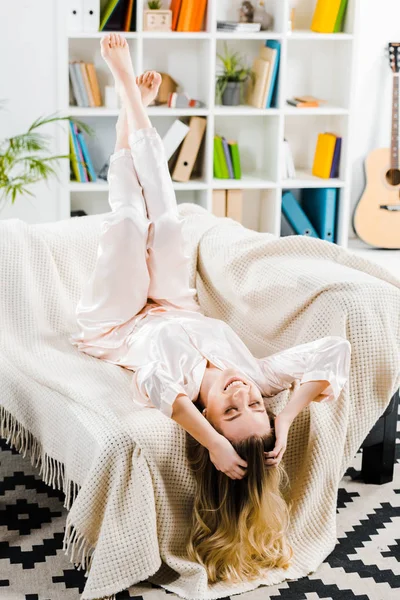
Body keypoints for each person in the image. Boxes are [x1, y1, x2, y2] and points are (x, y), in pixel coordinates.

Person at [69, 33, 352, 582]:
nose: (243, 395)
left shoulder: (174, 388)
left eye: (229, 410)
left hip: (117, 323)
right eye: (254, 407)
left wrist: (217, 444)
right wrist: (286, 419)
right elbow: (333, 352)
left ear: (211, 424)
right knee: (168, 221)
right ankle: (130, 96)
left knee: (129, 223)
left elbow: (166, 395)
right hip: (176, 301)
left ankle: (128, 94)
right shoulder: (254, 376)